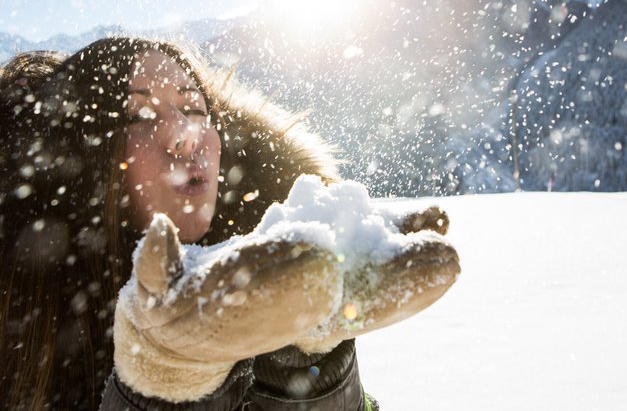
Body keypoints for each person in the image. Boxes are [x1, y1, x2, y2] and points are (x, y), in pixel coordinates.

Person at [0, 37, 460, 410]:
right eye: (139, 115)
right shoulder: (23, 326)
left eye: (195, 109)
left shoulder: (264, 270)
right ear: (80, 160)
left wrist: (308, 365)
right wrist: (164, 378)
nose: (186, 134)